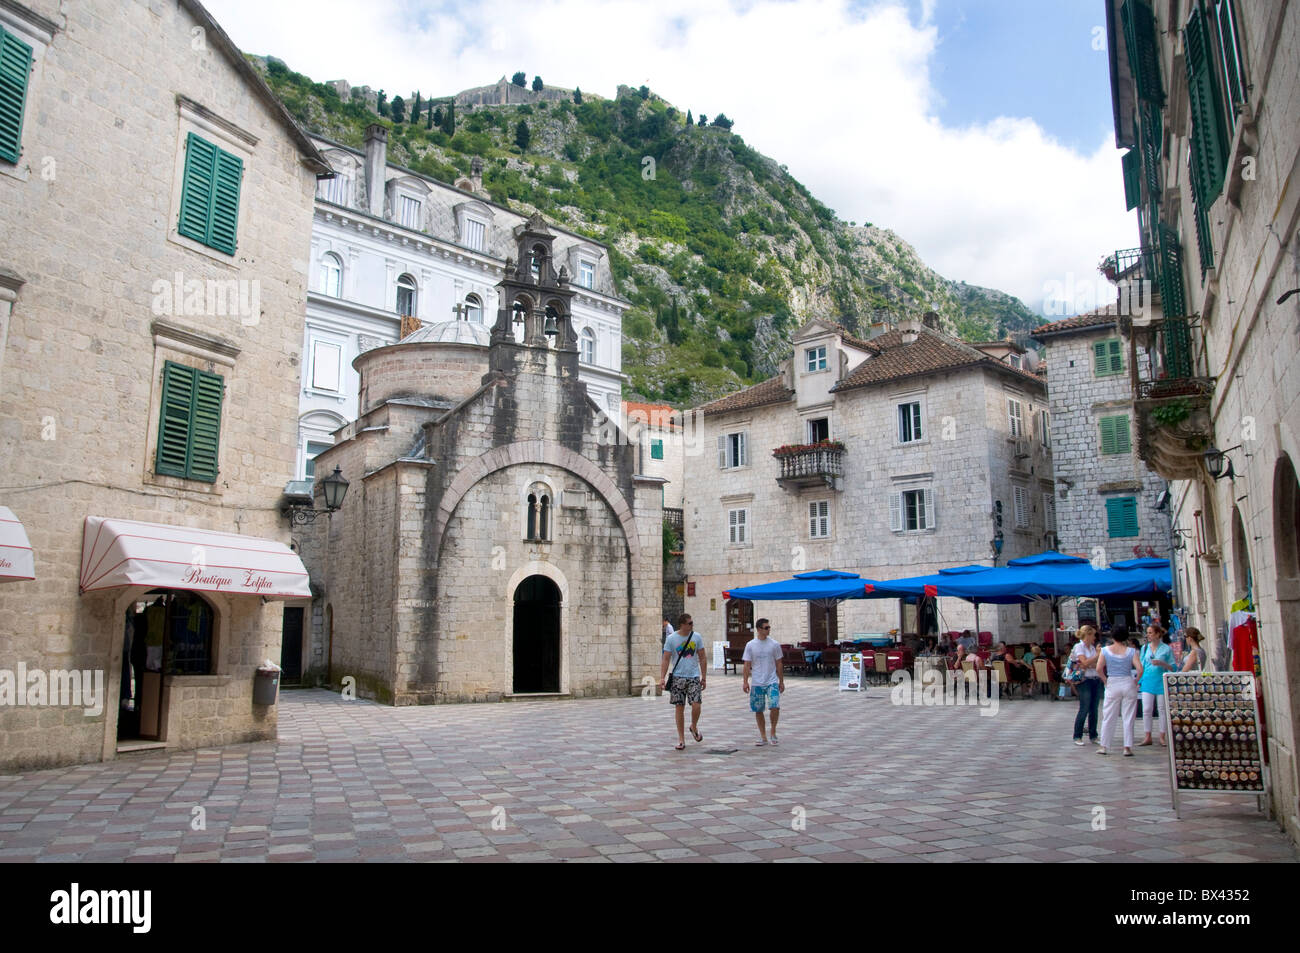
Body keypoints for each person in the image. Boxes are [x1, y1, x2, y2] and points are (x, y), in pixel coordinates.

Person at [1097, 624, 1144, 756]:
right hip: (1127, 682)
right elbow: (1140, 669)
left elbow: (1099, 668)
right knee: (1128, 716)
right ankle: (1127, 747)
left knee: (1108, 716)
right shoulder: (1131, 651)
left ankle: (1104, 746)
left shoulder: (1105, 650)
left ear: (1112, 635)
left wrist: (1105, 680)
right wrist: (1135, 681)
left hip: (1113, 682)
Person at [661, 613, 706, 750]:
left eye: (692, 623)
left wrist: (703, 677)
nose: (692, 625)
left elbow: (703, 657)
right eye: (690, 623)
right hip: (677, 677)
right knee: (679, 707)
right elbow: (666, 659)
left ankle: (693, 725)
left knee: (696, 704)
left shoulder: (697, 637)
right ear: (682, 624)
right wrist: (662, 677)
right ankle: (681, 739)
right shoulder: (671, 639)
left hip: (693, 676)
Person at [742, 618, 785, 746]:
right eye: (766, 627)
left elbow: (779, 663)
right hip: (757, 682)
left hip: (771, 680)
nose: (769, 629)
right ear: (759, 629)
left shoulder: (774, 644)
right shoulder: (750, 645)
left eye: (769, 627)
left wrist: (781, 681)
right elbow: (746, 664)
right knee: (758, 709)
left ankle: (773, 731)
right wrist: (745, 681)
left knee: (774, 706)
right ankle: (763, 736)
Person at [1138, 624, 1175, 746]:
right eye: (1147, 633)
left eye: (1150, 633)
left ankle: (1162, 736)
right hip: (1148, 680)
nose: (1148, 635)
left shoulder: (1166, 649)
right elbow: (1141, 665)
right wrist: (1139, 680)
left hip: (1161, 680)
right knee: (1147, 709)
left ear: (1158, 634)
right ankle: (1147, 735)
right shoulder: (1145, 648)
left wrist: (1162, 663)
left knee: (1162, 709)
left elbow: (1173, 667)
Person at [1071, 624, 1103, 745]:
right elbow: (1083, 663)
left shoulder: (1092, 648)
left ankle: (1093, 735)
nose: (1095, 637)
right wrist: (1096, 656)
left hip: (1095, 678)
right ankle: (1077, 735)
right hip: (1084, 680)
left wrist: (1091, 662)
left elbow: (1095, 664)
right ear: (1088, 635)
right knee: (1084, 707)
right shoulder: (1079, 647)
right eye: (1093, 635)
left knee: (1094, 708)